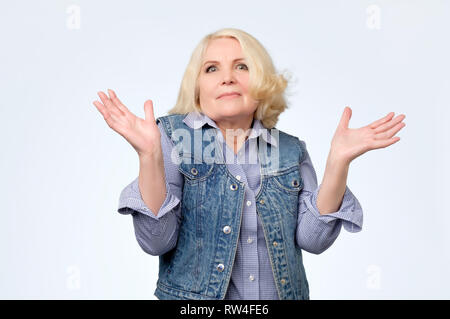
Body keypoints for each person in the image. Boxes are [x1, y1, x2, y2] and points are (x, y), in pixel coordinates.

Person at [93, 28, 406, 300]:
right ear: (197, 89)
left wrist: (338, 162)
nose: (227, 76)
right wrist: (149, 156)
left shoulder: (289, 149)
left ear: (262, 84)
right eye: (211, 69)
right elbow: (156, 241)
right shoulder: (172, 139)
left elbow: (313, 240)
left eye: (241, 66)